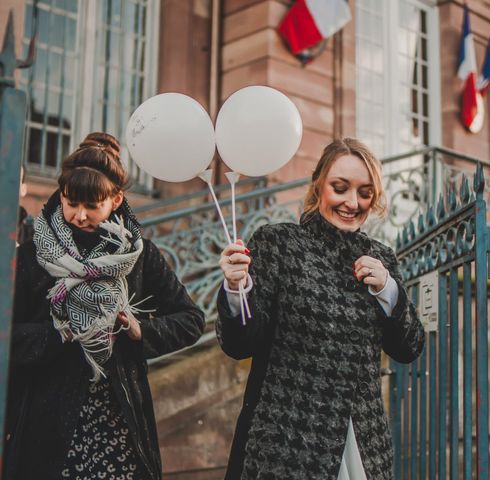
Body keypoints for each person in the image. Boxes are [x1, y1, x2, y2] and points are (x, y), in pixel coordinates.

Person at [217, 137, 425, 479]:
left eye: (364, 192)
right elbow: (239, 344)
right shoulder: (279, 243)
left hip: (363, 446)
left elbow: (410, 347)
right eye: (340, 188)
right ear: (318, 186)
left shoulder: (382, 257)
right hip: (287, 444)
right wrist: (237, 290)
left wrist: (389, 290)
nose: (352, 202)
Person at [3, 132, 205, 480]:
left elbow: (191, 320)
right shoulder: (34, 253)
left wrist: (141, 330)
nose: (79, 215)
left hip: (120, 425)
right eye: (70, 202)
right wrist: (60, 333)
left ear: (116, 200)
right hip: (44, 425)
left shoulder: (140, 257)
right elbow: (7, 336)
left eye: (92, 206)